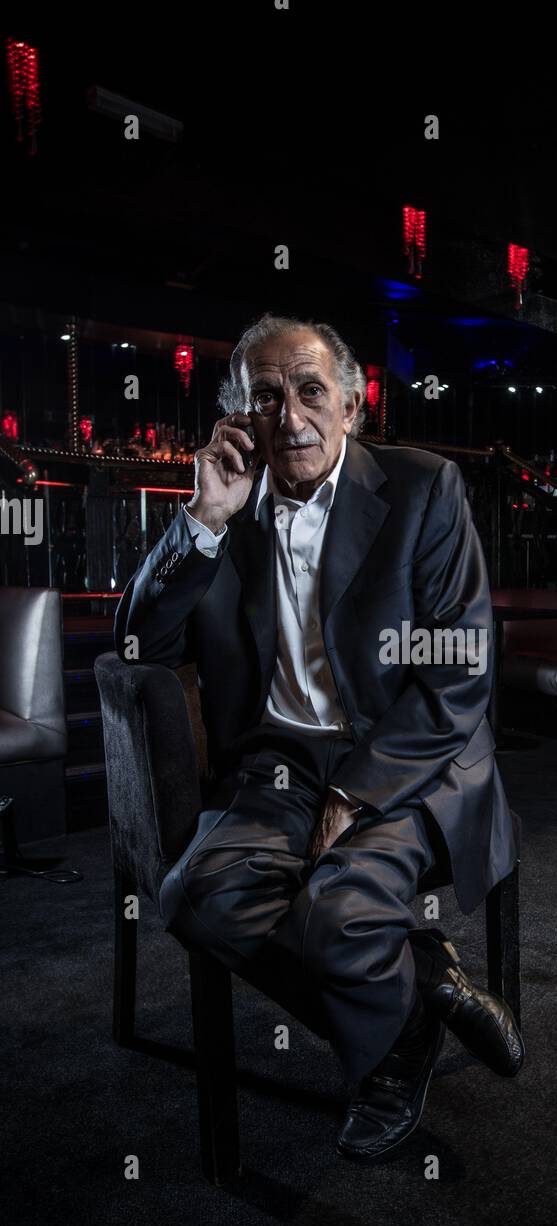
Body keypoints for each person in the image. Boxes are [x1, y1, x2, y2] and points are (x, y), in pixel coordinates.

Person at [114, 312, 523, 1163]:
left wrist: (356, 792)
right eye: (266, 398)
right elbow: (135, 645)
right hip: (280, 765)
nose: (290, 416)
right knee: (195, 897)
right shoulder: (225, 513)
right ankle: (418, 1001)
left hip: (408, 756)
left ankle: (385, 1035)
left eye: (309, 392)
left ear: (351, 407)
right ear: (239, 416)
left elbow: (458, 671)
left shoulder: (424, 489)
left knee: (338, 918)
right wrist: (203, 521)